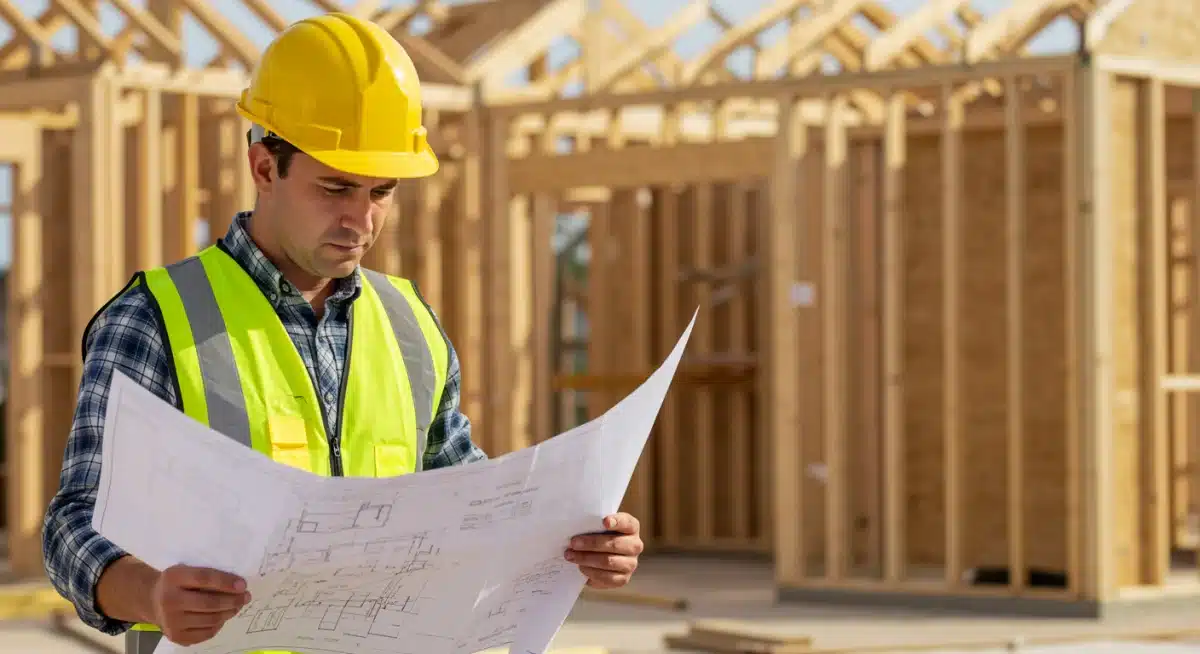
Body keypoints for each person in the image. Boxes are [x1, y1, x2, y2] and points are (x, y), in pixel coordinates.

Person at [41, 12, 644, 654]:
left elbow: (468, 503)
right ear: (264, 167)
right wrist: (151, 592)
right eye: (336, 188)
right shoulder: (156, 318)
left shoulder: (411, 326)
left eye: (381, 192)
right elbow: (72, 526)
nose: (361, 219)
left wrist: (575, 541)